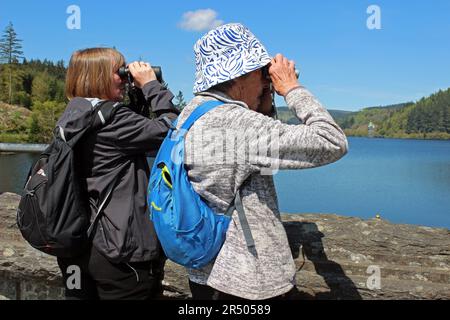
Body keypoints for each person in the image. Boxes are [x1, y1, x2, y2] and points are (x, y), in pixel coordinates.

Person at [176, 23, 349, 300]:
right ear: (240, 75)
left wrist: (265, 97)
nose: (266, 78)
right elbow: (331, 141)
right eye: (260, 71)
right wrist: (292, 88)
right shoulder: (234, 123)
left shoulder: (193, 113)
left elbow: (263, 160)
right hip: (247, 283)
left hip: (206, 273)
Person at [56, 47, 179, 300]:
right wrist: (151, 87)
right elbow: (174, 131)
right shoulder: (114, 120)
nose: (125, 78)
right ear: (98, 76)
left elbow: (136, 134)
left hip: (77, 247)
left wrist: (136, 97)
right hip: (120, 253)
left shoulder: (73, 115)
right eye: (120, 72)